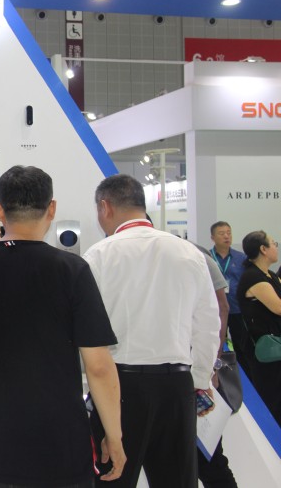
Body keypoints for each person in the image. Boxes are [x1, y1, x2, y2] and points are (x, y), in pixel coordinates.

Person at [0, 165, 126, 487]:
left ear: (0, 211)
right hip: (61, 447)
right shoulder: (72, 270)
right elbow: (98, 366)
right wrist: (114, 434)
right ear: (52, 208)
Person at [83, 174, 220, 488]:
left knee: (111, 477)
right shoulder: (189, 253)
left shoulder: (99, 255)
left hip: (118, 386)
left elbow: (86, 331)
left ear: (105, 207)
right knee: (177, 481)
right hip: (176, 385)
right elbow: (208, 325)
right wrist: (199, 381)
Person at [191, 243, 239, 488]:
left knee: (207, 456)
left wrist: (210, 366)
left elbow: (222, 307)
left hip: (192, 371)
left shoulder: (194, 253)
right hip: (181, 371)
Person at [236, 230, 281, 426]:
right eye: (273, 243)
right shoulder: (253, 278)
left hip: (276, 344)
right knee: (273, 398)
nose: (276, 247)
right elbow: (278, 307)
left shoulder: (270, 275)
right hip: (266, 348)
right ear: (263, 249)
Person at [210, 221, 254, 379]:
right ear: (212, 237)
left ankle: (245, 378)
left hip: (236, 309)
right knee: (216, 344)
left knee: (241, 346)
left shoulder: (241, 258)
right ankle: (216, 376)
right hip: (215, 310)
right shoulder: (207, 258)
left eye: (228, 232)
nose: (226, 236)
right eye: (221, 233)